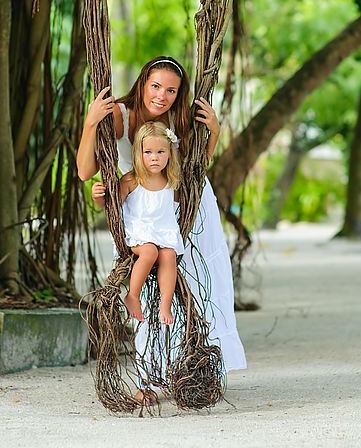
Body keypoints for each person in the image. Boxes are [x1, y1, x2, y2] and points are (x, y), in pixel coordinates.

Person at [77, 56, 247, 400]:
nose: (161, 96)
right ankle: (149, 381)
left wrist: (213, 132)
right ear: (142, 83)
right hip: (140, 214)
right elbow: (84, 171)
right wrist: (90, 124)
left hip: (186, 212)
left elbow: (196, 167)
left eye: (171, 90)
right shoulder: (119, 116)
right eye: (155, 86)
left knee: (201, 290)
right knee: (146, 295)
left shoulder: (179, 118)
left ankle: (194, 369)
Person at [91, 121, 183, 324]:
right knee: (150, 251)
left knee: (168, 255)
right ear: (138, 154)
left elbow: (174, 206)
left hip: (163, 231)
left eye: (161, 152)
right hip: (138, 232)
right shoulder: (131, 180)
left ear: (170, 153)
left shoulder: (172, 181)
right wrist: (98, 197)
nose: (155, 158)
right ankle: (133, 295)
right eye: (148, 152)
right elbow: (112, 208)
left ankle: (165, 304)